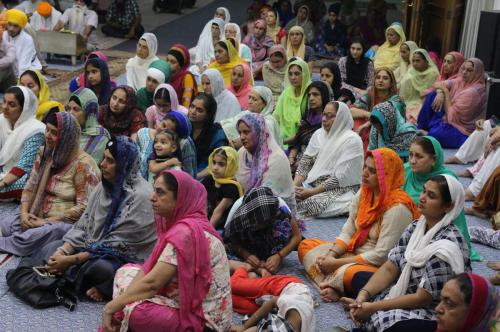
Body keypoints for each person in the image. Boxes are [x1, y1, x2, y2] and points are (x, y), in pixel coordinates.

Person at [100, 170, 233, 332]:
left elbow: (152, 284)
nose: (152, 197)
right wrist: (120, 306)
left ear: (180, 198)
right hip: (187, 302)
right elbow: (148, 271)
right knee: (125, 273)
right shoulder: (186, 226)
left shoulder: (186, 233)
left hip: (204, 322)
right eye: (154, 190)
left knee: (138, 311)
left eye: (160, 192)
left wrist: (111, 307)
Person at [341, 175, 471, 331]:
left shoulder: (446, 248)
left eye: (431, 196)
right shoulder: (417, 226)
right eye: (423, 191)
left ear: (448, 206)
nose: (422, 198)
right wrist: (362, 296)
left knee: (395, 326)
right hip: (404, 288)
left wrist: (373, 307)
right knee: (358, 277)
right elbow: (390, 267)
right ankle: (360, 305)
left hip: (431, 310)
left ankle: (366, 310)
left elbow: (421, 299)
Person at [40, 136, 156, 301]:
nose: (102, 164)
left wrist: (70, 260)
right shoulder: (104, 186)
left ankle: (93, 283)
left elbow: (116, 246)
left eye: (110, 161)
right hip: (90, 248)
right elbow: (84, 224)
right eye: (104, 158)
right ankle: (69, 273)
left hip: (120, 258)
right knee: (51, 248)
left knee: (101, 268)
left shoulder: (141, 197)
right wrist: (63, 252)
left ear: (124, 165)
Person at [299, 148, 418, 302]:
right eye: (365, 168)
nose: (365, 174)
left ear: (386, 176)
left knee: (351, 275)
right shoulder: (365, 192)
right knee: (306, 245)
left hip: (376, 265)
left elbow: (382, 256)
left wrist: (336, 263)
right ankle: (336, 284)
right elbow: (348, 230)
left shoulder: (398, 208)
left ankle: (339, 286)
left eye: (373, 171)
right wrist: (331, 256)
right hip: (353, 252)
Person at [0, 112, 100, 256]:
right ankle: (23, 236)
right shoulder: (45, 153)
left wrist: (46, 222)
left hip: (64, 224)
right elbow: (30, 185)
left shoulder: (83, 165)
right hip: (37, 215)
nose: (47, 135)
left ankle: (15, 242)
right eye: (47, 129)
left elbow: (85, 207)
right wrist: (24, 214)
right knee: (7, 224)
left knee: (46, 233)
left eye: (54, 133)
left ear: (66, 137)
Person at [403, 136, 479, 260]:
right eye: (411, 155)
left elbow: (453, 216)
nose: (412, 160)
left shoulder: (447, 181)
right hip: (404, 224)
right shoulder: (406, 170)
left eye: (419, 156)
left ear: (434, 160)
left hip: (432, 230)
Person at [294, 101, 365, 219]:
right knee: (289, 195)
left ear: (341, 118)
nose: (324, 119)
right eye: (324, 115)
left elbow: (340, 177)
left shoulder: (352, 140)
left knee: (312, 205)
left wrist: (312, 192)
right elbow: (306, 161)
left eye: (330, 116)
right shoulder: (319, 134)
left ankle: (352, 204)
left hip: (342, 188)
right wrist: (294, 186)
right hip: (313, 183)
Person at [225, 187, 302, 276]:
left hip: (271, 241)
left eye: (262, 222)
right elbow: (230, 240)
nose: (258, 226)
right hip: (246, 243)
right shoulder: (238, 214)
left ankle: (264, 260)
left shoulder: (280, 211)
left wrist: (279, 256)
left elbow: (297, 236)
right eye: (256, 222)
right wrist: (246, 255)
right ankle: (255, 266)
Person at [417, 58, 487, 148]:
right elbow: (438, 84)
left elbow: (451, 117)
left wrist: (445, 92)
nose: (464, 72)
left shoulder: (474, 92)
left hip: (461, 129)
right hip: (448, 118)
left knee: (436, 134)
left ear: (477, 73)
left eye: (469, 70)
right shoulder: (461, 81)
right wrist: (440, 93)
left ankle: (428, 131)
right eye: (463, 69)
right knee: (433, 95)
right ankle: (421, 127)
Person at [229, 263, 315, 332]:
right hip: (283, 286)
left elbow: (258, 328)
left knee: (231, 302)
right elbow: (272, 302)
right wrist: (244, 326)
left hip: (277, 309)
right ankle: (243, 267)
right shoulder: (292, 307)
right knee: (233, 285)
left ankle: (250, 278)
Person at [236, 113, 296, 211]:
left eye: (246, 132)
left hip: (274, 212)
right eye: (240, 133)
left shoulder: (277, 158)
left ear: (258, 132)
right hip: (245, 206)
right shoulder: (242, 153)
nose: (242, 137)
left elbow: (269, 198)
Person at [0, 86, 45, 201]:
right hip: (3, 171)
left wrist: (3, 183)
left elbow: (25, 164)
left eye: (12, 104)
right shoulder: (2, 121)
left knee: (27, 184)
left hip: (22, 175)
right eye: (4, 102)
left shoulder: (34, 130)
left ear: (24, 109)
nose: (5, 107)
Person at [136, 110, 197, 179]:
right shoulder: (143, 133)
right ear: (161, 120)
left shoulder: (182, 145)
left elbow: (189, 176)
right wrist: (169, 162)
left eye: (168, 132)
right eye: (163, 125)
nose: (162, 130)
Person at [350, 67, 399, 152]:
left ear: (391, 83)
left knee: (373, 129)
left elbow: (385, 117)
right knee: (358, 120)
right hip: (369, 129)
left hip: (388, 133)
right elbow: (350, 111)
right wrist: (368, 115)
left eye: (385, 78)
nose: (380, 80)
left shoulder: (396, 99)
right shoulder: (370, 95)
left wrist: (368, 123)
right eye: (378, 77)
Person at [287, 81, 331, 174]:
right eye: (309, 95)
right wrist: (291, 158)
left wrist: (301, 164)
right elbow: (297, 142)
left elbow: (324, 151)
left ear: (324, 96)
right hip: (297, 162)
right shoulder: (306, 119)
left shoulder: (329, 121)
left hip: (317, 165)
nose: (311, 98)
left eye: (315, 95)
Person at [67, 88, 111, 164]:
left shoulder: (100, 137)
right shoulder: (68, 132)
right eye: (69, 109)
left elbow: (88, 168)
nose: (70, 113)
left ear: (88, 112)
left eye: (76, 109)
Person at [188, 92, 228, 179]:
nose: (193, 111)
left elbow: (219, 162)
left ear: (208, 115)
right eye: (192, 106)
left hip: (206, 176)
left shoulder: (216, 133)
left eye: (199, 110)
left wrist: (195, 177)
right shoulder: (184, 127)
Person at [202, 146, 243, 229]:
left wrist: (206, 232)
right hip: (205, 219)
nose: (215, 167)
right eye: (214, 162)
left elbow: (218, 212)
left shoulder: (232, 187)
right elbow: (202, 202)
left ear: (231, 166)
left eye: (221, 164)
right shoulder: (209, 179)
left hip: (221, 227)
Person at [273, 58, 311, 146]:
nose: (293, 77)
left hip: (302, 140)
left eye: (297, 74)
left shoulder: (311, 94)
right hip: (282, 137)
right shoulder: (286, 93)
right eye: (290, 74)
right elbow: (276, 117)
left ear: (304, 74)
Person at [368, 96, 417, 161]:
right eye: (376, 127)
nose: (378, 131)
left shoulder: (408, 133)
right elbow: (371, 152)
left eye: (381, 128)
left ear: (389, 122)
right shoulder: (375, 130)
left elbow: (411, 161)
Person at [399, 48, 439, 123]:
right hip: (408, 102)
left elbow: (432, 93)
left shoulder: (433, 74)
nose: (414, 63)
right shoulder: (411, 72)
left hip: (425, 103)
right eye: (413, 61)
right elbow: (403, 95)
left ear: (426, 61)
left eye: (418, 61)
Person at [3, 9, 42, 74]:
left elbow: (24, 65)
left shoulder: (27, 39)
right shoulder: (3, 35)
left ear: (21, 27)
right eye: (9, 24)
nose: (11, 29)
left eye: (15, 26)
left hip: (28, 68)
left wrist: (18, 80)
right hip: (10, 69)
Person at [166, 43, 197, 108]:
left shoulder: (187, 77)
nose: (168, 64)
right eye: (167, 60)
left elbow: (186, 105)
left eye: (173, 62)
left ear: (181, 65)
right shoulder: (166, 75)